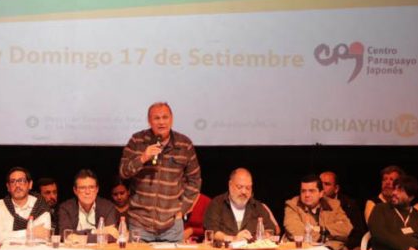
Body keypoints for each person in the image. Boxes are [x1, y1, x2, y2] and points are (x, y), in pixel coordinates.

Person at [119, 102, 201, 242]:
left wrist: (182, 209)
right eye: (156, 118)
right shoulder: (137, 140)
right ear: (149, 121)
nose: (161, 122)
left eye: (165, 117)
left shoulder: (184, 144)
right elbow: (123, 172)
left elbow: (195, 180)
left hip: (172, 225)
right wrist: (143, 158)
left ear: (171, 119)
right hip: (140, 223)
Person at [203, 169, 275, 242]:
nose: (244, 192)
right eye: (239, 187)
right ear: (230, 185)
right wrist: (233, 239)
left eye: (248, 188)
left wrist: (261, 237)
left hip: (251, 248)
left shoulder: (257, 207)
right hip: (224, 248)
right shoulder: (217, 204)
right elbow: (211, 232)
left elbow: (270, 230)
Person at [0, 167, 51, 249]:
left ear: (30, 184)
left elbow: (43, 238)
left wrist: (8, 236)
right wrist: (29, 232)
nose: (17, 185)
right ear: (8, 187)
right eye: (13, 181)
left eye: (21, 180)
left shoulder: (41, 206)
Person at [59, 169, 119, 240]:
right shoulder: (66, 208)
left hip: (99, 247)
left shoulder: (108, 207)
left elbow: (112, 235)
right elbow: (65, 234)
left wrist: (78, 237)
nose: (87, 192)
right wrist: (96, 231)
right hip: (75, 247)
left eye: (91, 187)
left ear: (97, 189)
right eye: (82, 188)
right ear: (75, 190)